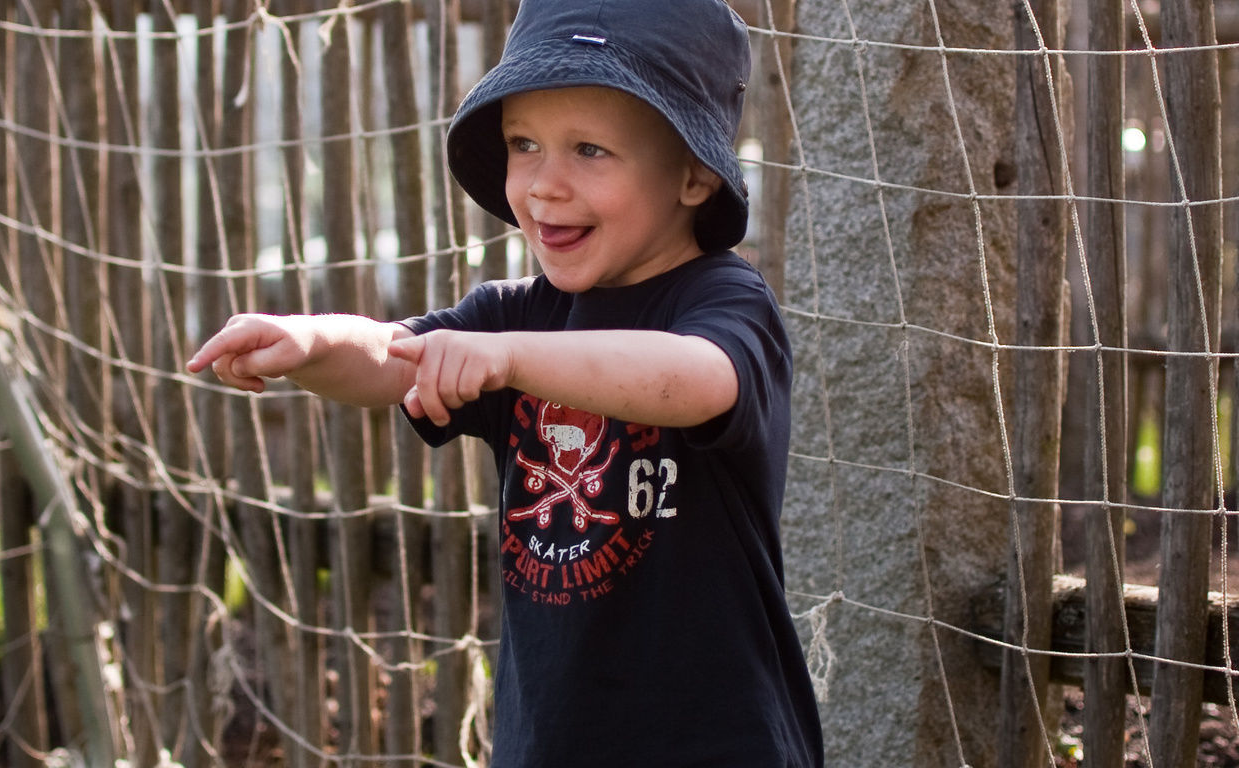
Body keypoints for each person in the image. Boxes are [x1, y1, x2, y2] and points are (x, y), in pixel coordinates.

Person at [186, 0, 823, 763]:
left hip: (712, 743)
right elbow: (393, 357)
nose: (544, 186)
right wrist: (312, 340)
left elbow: (698, 379)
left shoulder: (722, 301)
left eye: (590, 150)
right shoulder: (520, 314)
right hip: (545, 741)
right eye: (524, 145)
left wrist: (512, 358)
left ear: (693, 175)